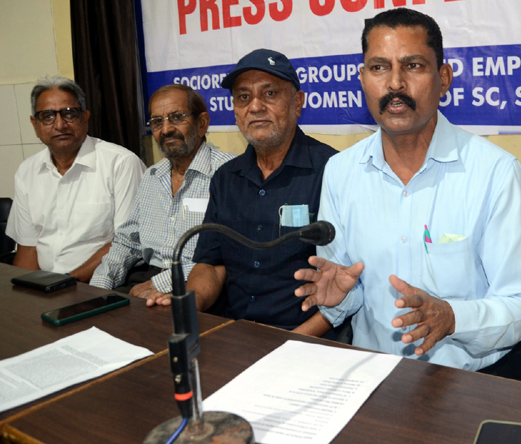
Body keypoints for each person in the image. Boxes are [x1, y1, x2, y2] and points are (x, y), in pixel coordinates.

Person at [294, 7, 521, 370]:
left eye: (412, 66)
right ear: (363, 79)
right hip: (371, 373)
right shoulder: (341, 171)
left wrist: (453, 318)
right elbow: (349, 290)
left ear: (444, 78)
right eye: (379, 68)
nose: (395, 84)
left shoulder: (494, 171)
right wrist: (339, 299)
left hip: (464, 381)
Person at [174, 49, 337, 337]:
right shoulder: (225, 178)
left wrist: (291, 342)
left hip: (306, 337)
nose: (256, 106)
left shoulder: (334, 171)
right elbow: (211, 265)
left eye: (270, 94)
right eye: (243, 97)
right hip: (234, 332)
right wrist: (189, 308)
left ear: (298, 103)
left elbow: (347, 281)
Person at [89, 84, 235, 299]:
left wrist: (160, 283)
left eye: (176, 117)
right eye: (157, 122)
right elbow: (127, 242)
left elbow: (228, 253)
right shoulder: (152, 176)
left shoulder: (229, 173)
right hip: (145, 277)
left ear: (202, 123)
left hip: (201, 284)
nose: (166, 130)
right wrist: (99, 285)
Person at [6, 76, 145, 280]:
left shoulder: (121, 164)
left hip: (101, 284)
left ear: (85, 118)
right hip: (47, 286)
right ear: (35, 124)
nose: (60, 125)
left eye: (69, 114)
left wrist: (65, 283)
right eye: (47, 116)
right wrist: (26, 292)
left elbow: (127, 244)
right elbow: (28, 249)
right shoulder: (27, 171)